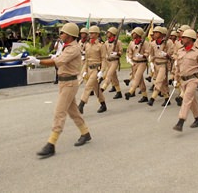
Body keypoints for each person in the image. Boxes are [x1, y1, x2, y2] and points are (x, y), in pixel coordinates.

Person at [24, 22, 91, 158]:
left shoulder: (73, 49)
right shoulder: (66, 47)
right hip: (63, 83)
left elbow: (57, 62)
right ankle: (85, 133)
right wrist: (39, 59)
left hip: (69, 83)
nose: (61, 34)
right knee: (73, 111)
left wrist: (37, 62)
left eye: (63, 32)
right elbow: (56, 58)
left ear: (70, 35)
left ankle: (51, 144)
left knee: (59, 113)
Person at [172, 29, 198, 132]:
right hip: (183, 80)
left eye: (184, 37)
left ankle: (181, 121)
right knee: (192, 101)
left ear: (191, 39)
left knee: (186, 99)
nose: (182, 39)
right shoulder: (180, 51)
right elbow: (177, 67)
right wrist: (175, 79)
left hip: (193, 79)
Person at [78, 26, 108, 113]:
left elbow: (103, 59)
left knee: (88, 87)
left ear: (97, 34)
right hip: (89, 69)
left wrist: (102, 71)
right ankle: (103, 104)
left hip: (96, 69)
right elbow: (87, 59)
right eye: (90, 33)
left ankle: (81, 105)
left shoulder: (101, 46)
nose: (90, 35)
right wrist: (84, 71)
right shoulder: (87, 45)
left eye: (93, 33)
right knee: (96, 89)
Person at [147, 26, 174, 106]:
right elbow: (151, 54)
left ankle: (152, 98)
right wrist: (151, 62)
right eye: (154, 33)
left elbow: (172, 54)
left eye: (156, 32)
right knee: (163, 83)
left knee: (158, 81)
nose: (154, 34)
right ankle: (167, 98)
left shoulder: (168, 43)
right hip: (156, 65)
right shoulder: (152, 43)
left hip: (164, 64)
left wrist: (166, 54)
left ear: (161, 34)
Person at [125, 27, 150, 102]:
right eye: (133, 33)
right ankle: (144, 96)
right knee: (140, 80)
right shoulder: (132, 43)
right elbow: (129, 51)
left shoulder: (145, 43)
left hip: (142, 63)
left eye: (134, 33)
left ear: (139, 34)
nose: (133, 34)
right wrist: (129, 58)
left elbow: (148, 52)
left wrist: (143, 55)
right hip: (134, 63)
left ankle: (130, 91)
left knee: (137, 76)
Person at [100, 26, 124, 99]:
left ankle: (103, 88)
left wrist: (117, 54)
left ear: (113, 33)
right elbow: (104, 51)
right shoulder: (106, 42)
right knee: (114, 78)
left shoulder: (118, 42)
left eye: (109, 32)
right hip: (108, 61)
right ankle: (119, 92)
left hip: (114, 61)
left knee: (109, 75)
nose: (107, 33)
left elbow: (121, 51)